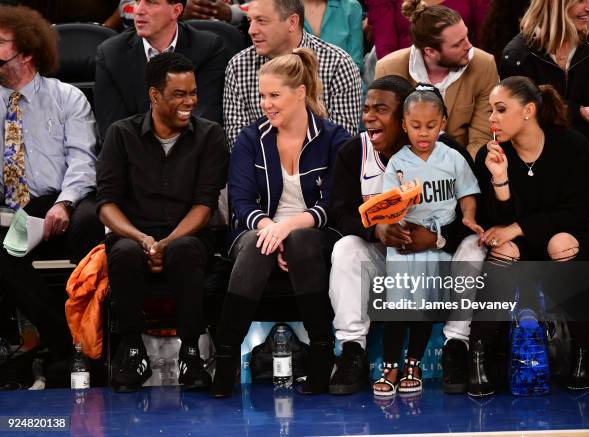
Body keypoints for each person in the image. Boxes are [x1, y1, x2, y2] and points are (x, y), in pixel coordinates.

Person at [210, 48, 351, 398]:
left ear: (300, 93)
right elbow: (240, 203)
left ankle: (321, 352)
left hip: (313, 233)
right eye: (262, 95)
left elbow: (333, 204)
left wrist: (287, 230)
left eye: (274, 95)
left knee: (302, 241)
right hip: (258, 230)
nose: (265, 104)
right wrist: (270, 228)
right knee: (260, 246)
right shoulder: (250, 138)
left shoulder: (335, 139)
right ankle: (226, 355)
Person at [327, 75, 480, 395]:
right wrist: (376, 228)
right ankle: (352, 350)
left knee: (474, 248)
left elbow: (476, 215)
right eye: (366, 108)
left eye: (380, 109)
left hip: (439, 257)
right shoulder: (354, 153)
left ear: (404, 118)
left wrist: (437, 238)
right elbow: (341, 214)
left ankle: (456, 346)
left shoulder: (448, 152)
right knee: (346, 249)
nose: (369, 116)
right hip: (388, 256)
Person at [96, 52, 228, 392]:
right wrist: (142, 239)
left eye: (193, 93)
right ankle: (132, 351)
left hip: (189, 235)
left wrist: (165, 244)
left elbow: (204, 205)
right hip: (133, 234)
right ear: (155, 96)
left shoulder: (210, 135)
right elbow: (106, 204)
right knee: (123, 252)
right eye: (179, 95)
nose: (190, 102)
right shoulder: (121, 134)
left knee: (184, 249)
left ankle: (191, 353)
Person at [469, 76, 589, 397]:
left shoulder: (573, 146)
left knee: (560, 244)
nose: (492, 119)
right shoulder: (491, 155)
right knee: (504, 249)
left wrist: (518, 227)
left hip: (569, 236)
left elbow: (575, 213)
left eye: (501, 110)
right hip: (521, 245)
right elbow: (494, 223)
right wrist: (500, 180)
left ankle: (582, 353)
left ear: (528, 110)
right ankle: (479, 357)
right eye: (490, 111)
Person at [0, 5, 102, 370]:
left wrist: (66, 203)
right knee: (4, 252)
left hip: (61, 202)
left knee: (89, 227)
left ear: (26, 52)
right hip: (11, 209)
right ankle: (63, 342)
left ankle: (96, 341)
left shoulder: (66, 98)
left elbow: (83, 161)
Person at [372, 85, 481, 396]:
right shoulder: (397, 163)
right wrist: (397, 213)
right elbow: (388, 206)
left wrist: (469, 216)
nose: (423, 133)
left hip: (437, 238)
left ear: (443, 123)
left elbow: (468, 193)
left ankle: (413, 363)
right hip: (406, 239)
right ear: (404, 125)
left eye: (431, 126)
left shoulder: (453, 157)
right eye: (416, 126)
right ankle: (390, 365)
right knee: (399, 305)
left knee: (424, 305)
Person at [223, 0, 361, 147]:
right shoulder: (238, 66)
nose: (251, 30)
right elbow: (237, 140)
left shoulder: (338, 64)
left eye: (261, 21)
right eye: (250, 21)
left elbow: (343, 144)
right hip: (259, 167)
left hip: (323, 168)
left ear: (292, 22)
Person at [500, 0, 589, 176]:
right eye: (581, 1)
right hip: (538, 168)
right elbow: (525, 115)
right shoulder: (517, 58)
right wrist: (578, 112)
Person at [375, 0, 498, 158]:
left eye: (466, 36)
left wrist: (459, 174)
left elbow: (481, 138)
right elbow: (387, 138)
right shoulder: (388, 69)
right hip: (405, 168)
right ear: (430, 51)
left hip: (463, 165)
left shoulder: (484, 65)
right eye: (457, 44)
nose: (469, 46)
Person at [95, 0, 228, 139]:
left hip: (191, 155)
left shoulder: (208, 49)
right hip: (134, 157)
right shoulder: (111, 54)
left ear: (175, 11)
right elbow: (113, 133)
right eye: (137, 1)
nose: (138, 10)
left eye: (151, 3)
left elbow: (204, 123)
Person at [303, 0, 364, 71]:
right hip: (295, 80)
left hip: (343, 79)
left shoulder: (351, 7)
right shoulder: (288, 7)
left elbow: (355, 64)